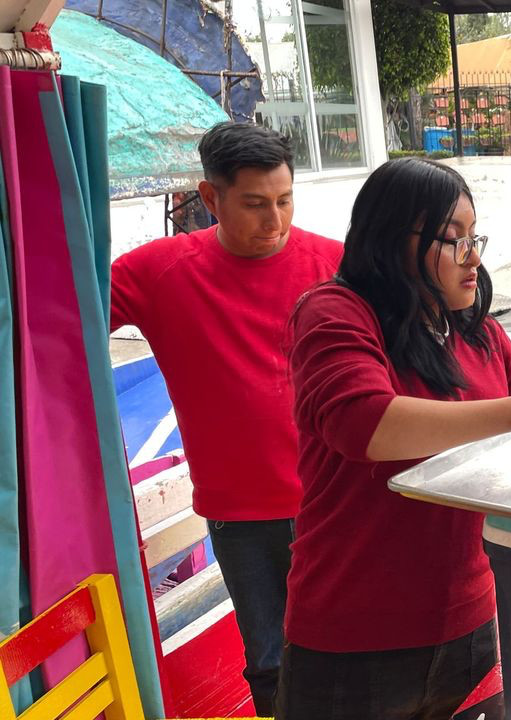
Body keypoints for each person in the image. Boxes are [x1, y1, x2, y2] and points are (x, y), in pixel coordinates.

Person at [277, 158, 511, 720]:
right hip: (356, 628)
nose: (473, 256)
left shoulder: (476, 330)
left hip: (473, 615)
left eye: (474, 238)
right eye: (452, 240)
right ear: (390, 239)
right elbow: (365, 425)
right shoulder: (336, 313)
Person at [109, 122, 344, 715]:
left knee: (358, 650)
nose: (276, 221)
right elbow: (48, 316)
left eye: (285, 201)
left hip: (340, 500)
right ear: (210, 198)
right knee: (270, 659)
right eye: (256, 205)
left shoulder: (337, 265)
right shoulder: (156, 272)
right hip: (242, 514)